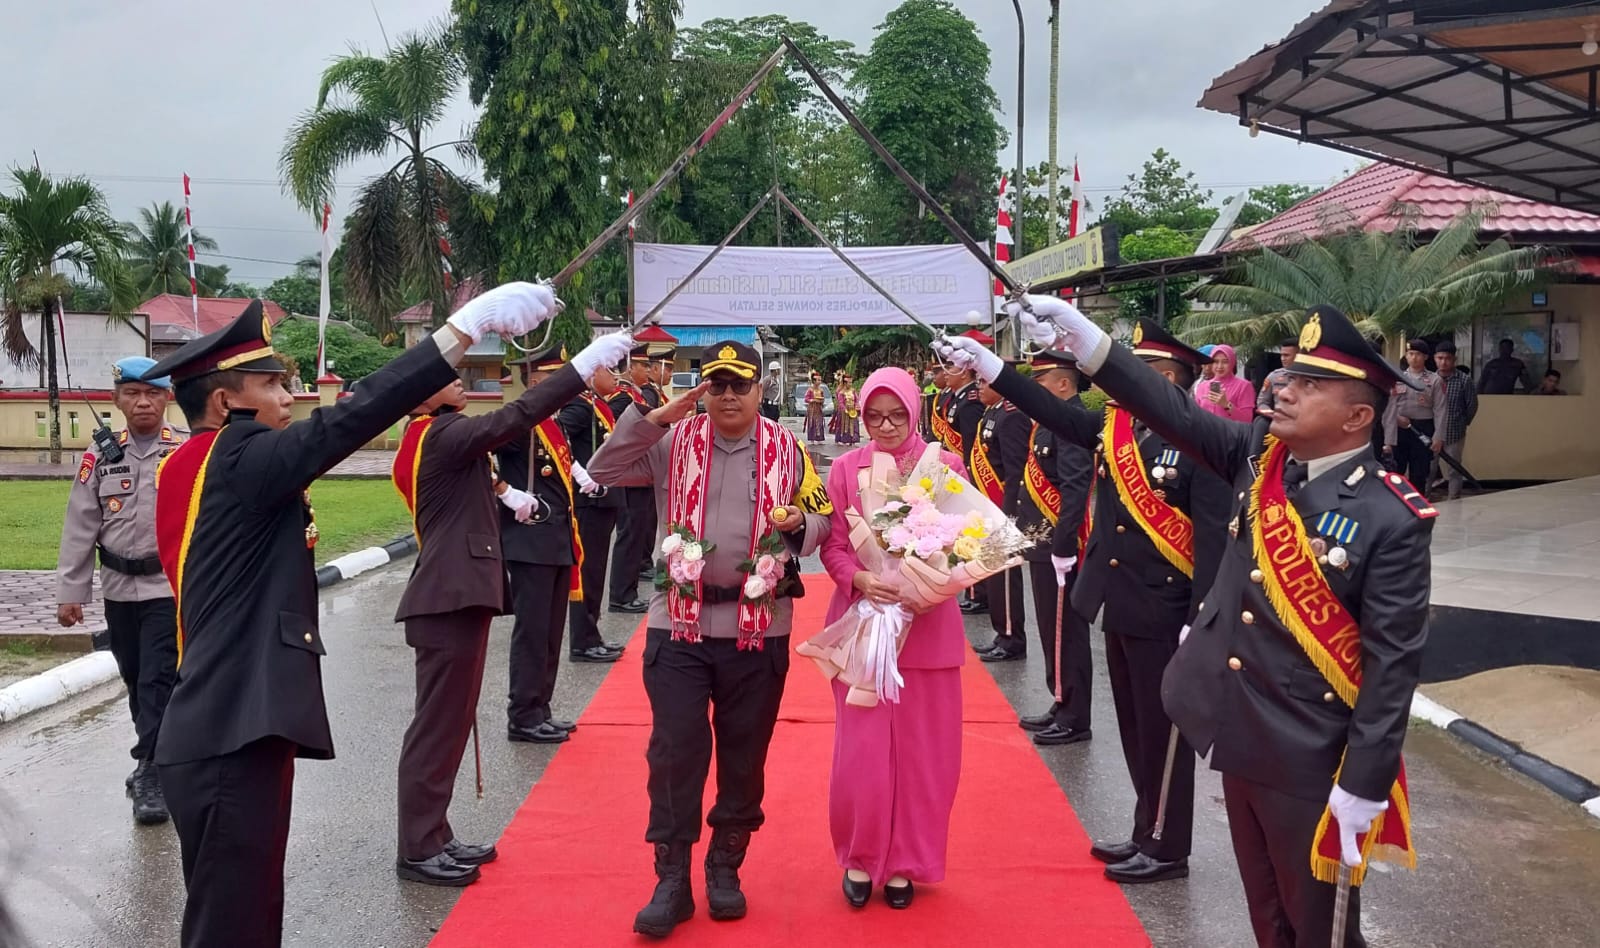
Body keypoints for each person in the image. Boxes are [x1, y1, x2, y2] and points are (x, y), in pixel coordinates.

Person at [971, 295, 1432, 948]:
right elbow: (1166, 407)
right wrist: (1087, 340)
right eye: (1291, 375)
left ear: (1358, 416)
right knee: (1268, 918)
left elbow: (1392, 668)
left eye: (1312, 384)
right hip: (1241, 738)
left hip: (1311, 759)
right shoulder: (1259, 459)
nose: (1288, 389)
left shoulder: (1390, 516)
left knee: (1322, 930)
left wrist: (1364, 784)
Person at [148, 285, 559, 947]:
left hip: (234, 726)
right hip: (228, 730)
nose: (291, 398)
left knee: (245, 921)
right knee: (232, 928)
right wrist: (458, 332)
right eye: (272, 384)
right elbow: (349, 419)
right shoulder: (235, 456)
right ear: (225, 403)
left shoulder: (205, 466)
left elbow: (346, 411)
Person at [942, 319, 1230, 886]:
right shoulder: (1116, 429)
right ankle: (1146, 826)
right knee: (1132, 728)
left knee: (1161, 733)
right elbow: (1052, 414)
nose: (1119, 385)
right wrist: (990, 366)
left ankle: (1168, 846)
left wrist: (1200, 622)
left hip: (1167, 611)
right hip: (1120, 602)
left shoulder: (1202, 445)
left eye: (1136, 375)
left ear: (1167, 380)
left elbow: (1215, 542)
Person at [587, 341, 832, 938]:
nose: (727, 395)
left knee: (744, 754)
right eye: (717, 385)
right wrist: (653, 419)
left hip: (759, 629)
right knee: (674, 750)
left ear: (759, 391)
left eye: (739, 385)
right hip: (679, 626)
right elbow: (602, 471)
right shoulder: (672, 444)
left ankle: (726, 863)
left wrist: (802, 524)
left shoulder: (790, 451)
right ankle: (671, 878)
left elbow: (825, 521)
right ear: (704, 390)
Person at [389, 331, 631, 887]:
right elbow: (518, 415)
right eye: (437, 377)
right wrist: (584, 367)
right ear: (418, 400)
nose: (454, 376)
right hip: (448, 597)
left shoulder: (433, 435)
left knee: (450, 723)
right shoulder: (442, 432)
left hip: (456, 595)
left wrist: (505, 493)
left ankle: (435, 834)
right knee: (437, 725)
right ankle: (418, 845)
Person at [819, 367, 966, 911]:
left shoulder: (943, 467)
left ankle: (906, 862)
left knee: (925, 759)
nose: (884, 426)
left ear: (914, 411)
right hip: (865, 629)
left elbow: (967, 542)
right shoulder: (844, 468)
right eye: (874, 416)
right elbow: (834, 545)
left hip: (928, 634)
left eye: (896, 415)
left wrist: (927, 585)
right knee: (861, 756)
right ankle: (860, 856)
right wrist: (859, 578)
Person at [55, 356, 186, 825]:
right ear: (117, 400)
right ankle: (152, 756)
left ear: (168, 397)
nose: (144, 402)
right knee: (134, 675)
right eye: (133, 393)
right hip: (118, 588)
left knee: (158, 678)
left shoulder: (185, 450)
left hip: (167, 589)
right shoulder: (100, 456)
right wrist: (72, 591)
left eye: (153, 393)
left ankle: (151, 770)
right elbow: (80, 524)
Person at [497, 349, 601, 748]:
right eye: (555, 376)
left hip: (556, 538)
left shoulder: (552, 424)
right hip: (530, 542)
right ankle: (522, 714)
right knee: (533, 631)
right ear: (536, 382)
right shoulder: (518, 423)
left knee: (551, 631)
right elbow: (476, 458)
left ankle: (540, 707)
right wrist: (506, 493)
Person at [1008, 350, 1094, 747]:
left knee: (1065, 632)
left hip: (1060, 546)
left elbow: (1076, 487)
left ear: (1063, 383)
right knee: (1049, 628)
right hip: (1042, 540)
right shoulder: (1049, 422)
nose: (1035, 390)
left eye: (1040, 382)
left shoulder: (1071, 422)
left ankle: (1075, 716)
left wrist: (1064, 546)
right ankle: (1060, 700)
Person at [560, 358, 629, 662]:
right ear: (592, 372)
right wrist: (579, 474)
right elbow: (557, 437)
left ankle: (592, 633)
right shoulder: (577, 406)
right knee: (588, 571)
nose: (615, 376)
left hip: (604, 498)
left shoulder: (594, 403)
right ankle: (582, 641)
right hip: (589, 499)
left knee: (596, 569)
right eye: (609, 370)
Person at [969, 370, 1028, 662]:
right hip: (987, 505)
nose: (979, 387)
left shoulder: (1012, 416)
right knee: (992, 574)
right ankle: (1001, 633)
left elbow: (1015, 470)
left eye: (984, 382)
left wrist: (1008, 513)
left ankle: (1012, 639)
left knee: (1004, 576)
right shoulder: (991, 413)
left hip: (1002, 508)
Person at [609, 346, 661, 614]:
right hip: (628, 474)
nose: (648, 370)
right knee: (629, 535)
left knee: (637, 531)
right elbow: (617, 434)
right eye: (643, 365)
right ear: (631, 368)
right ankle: (620, 595)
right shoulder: (620, 399)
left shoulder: (636, 394)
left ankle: (627, 591)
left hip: (640, 473)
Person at [1382, 339, 1445, 491]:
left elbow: (1441, 409)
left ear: (1425, 357)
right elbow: (1389, 408)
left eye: (1418, 354)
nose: (1414, 357)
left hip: (1423, 429)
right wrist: (1389, 441)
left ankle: (1418, 507)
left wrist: (1438, 437)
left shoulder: (1434, 380)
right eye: (1410, 354)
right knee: (1396, 473)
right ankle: (1398, 508)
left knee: (1419, 472)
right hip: (1400, 429)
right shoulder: (1397, 378)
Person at [1433, 341, 1477, 501]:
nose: (1443, 362)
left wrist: (1462, 423)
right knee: (1429, 468)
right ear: (1434, 359)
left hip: (1455, 431)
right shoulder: (1430, 379)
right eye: (1440, 358)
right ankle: (1424, 499)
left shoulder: (1464, 380)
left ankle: (1454, 499)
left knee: (1454, 468)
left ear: (1454, 360)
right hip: (1432, 432)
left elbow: (1472, 405)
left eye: (1447, 358)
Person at [1197, 344, 1256, 422]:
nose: (1219, 366)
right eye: (1215, 361)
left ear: (1232, 362)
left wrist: (1226, 404)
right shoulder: (1202, 386)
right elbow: (1196, 415)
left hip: (1231, 433)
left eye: (1225, 362)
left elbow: (1247, 419)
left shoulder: (1244, 386)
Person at [1257, 339, 1299, 414]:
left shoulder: (1309, 378)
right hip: (1278, 419)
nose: (1282, 359)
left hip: (1301, 420)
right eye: (1281, 355)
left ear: (1298, 356)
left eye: (1286, 355)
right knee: (1261, 423)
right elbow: (1262, 402)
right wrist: (1271, 415)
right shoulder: (1273, 376)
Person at [834, 373, 860, 445]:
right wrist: (845, 409)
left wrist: (856, 406)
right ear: (845, 383)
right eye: (849, 382)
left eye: (851, 382)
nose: (850, 384)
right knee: (844, 425)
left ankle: (853, 439)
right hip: (844, 411)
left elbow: (856, 399)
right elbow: (840, 402)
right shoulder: (841, 392)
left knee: (854, 425)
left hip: (852, 410)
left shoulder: (853, 391)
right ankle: (844, 439)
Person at [804, 371, 828, 444]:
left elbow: (823, 398)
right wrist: (813, 400)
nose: (819, 382)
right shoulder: (810, 390)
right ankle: (812, 439)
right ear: (814, 381)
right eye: (818, 380)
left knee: (819, 422)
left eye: (820, 380)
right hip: (812, 409)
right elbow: (806, 399)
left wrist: (822, 401)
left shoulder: (821, 390)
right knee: (812, 423)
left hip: (818, 409)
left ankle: (819, 438)